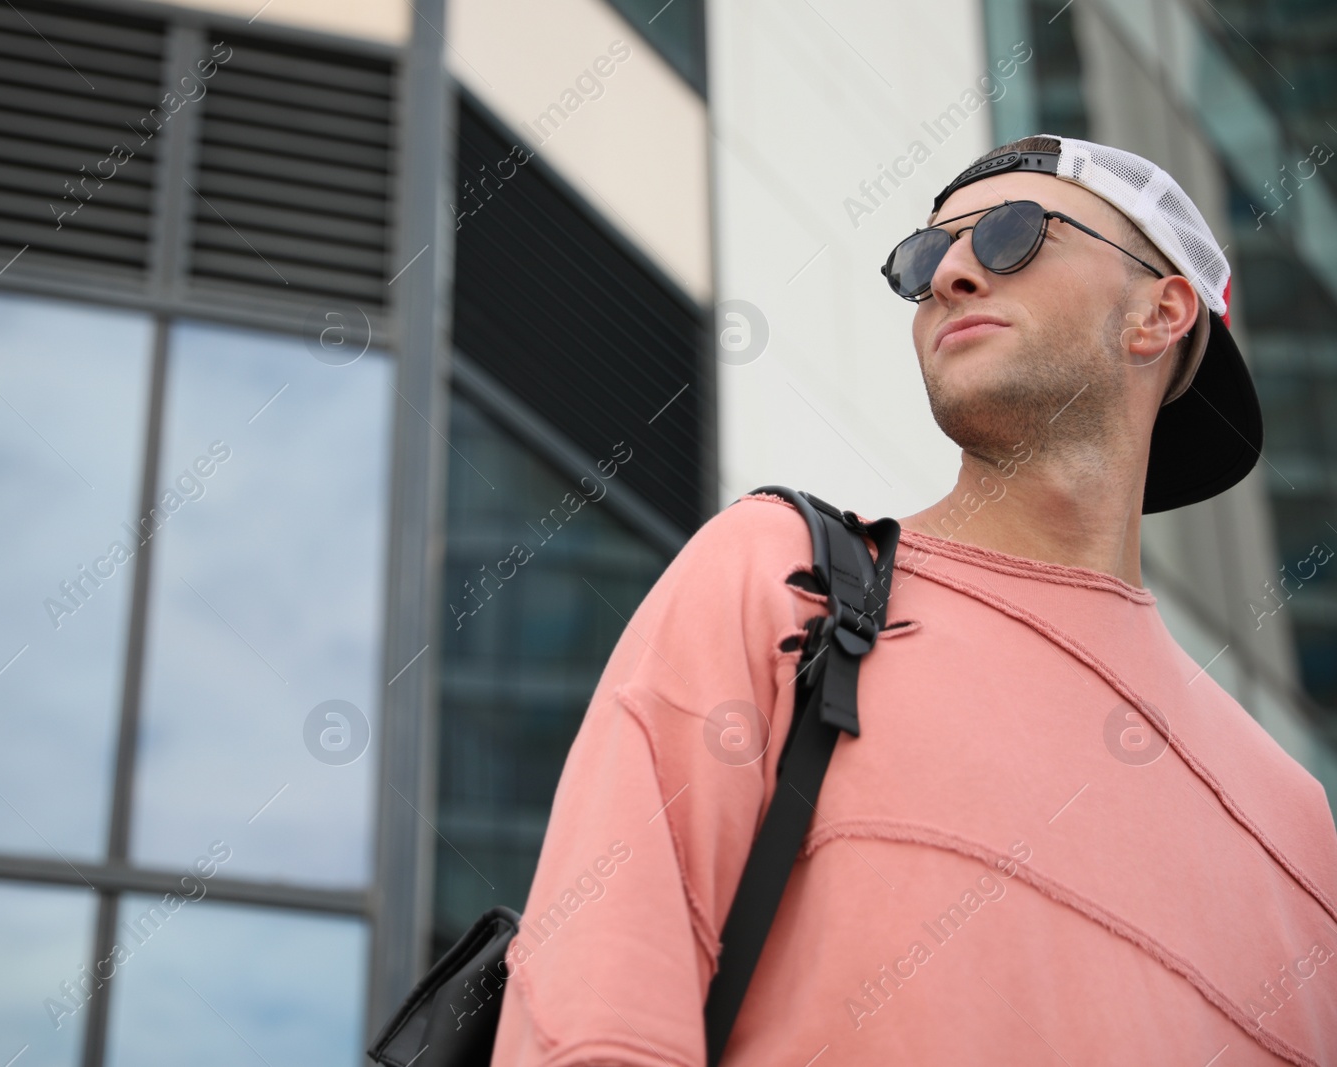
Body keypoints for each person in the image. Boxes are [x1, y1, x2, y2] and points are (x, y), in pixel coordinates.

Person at [488, 135, 1337, 1066]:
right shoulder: (784, 578)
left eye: (1016, 234)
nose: (952, 276)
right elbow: (593, 1019)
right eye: (925, 258)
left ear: (1159, 311)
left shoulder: (1295, 825)